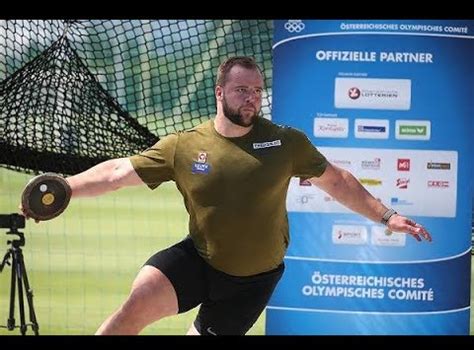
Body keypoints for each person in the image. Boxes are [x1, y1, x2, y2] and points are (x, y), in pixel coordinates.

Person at [20, 56, 432, 335]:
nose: (251, 98)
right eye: (241, 91)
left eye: (256, 90)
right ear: (220, 93)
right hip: (199, 259)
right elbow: (117, 172)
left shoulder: (287, 143)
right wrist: (65, 188)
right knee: (135, 304)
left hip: (253, 282)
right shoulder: (184, 145)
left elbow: (338, 181)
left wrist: (385, 215)